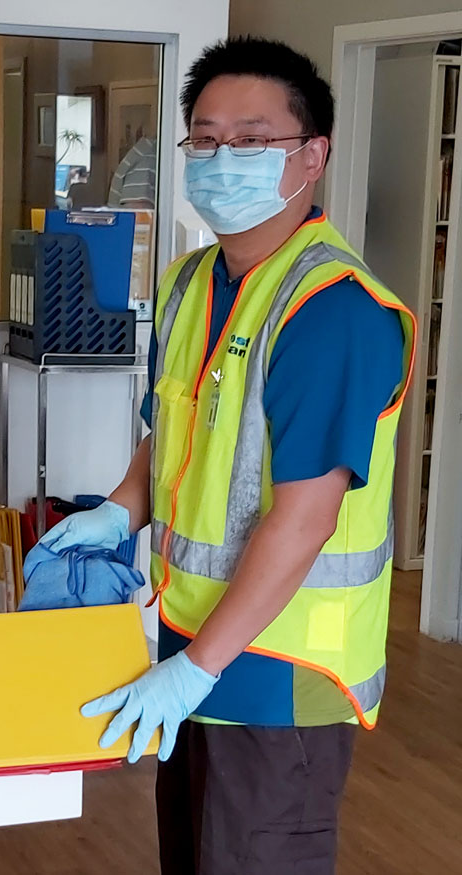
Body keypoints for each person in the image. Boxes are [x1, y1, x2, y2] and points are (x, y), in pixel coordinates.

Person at [31, 37, 415, 874]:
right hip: (189, 643)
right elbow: (168, 431)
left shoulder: (332, 310)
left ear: (311, 157)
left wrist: (197, 668)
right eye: (203, 139)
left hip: (279, 672)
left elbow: (307, 517)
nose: (219, 158)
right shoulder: (192, 281)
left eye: (251, 140)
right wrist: (120, 508)